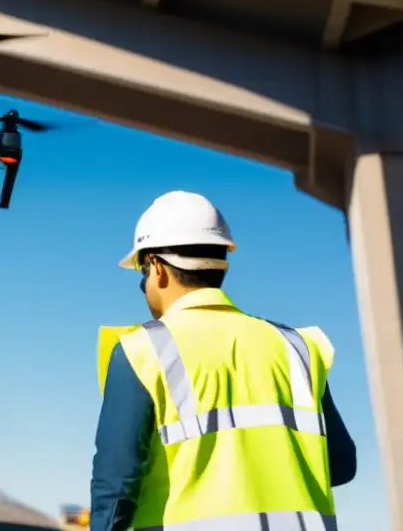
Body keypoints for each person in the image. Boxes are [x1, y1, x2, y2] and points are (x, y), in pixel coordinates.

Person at [90, 190, 357, 531]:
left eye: (141, 273)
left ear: (156, 267)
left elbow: (114, 492)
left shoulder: (140, 352)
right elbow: (341, 464)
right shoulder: (297, 347)